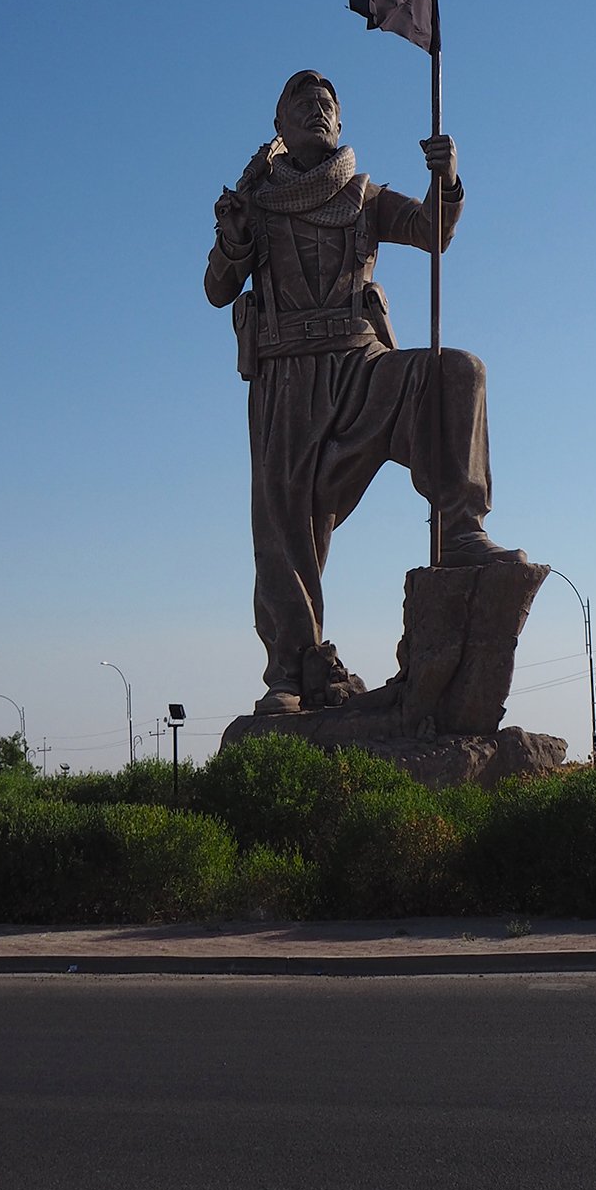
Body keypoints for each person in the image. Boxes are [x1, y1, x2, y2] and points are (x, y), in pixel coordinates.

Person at [206, 69, 525, 715]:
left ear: (341, 124)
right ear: (279, 126)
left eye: (327, 104)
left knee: (455, 371)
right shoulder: (254, 203)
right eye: (302, 104)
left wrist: (448, 180)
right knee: (286, 533)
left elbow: (433, 233)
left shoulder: (362, 194)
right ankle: (292, 673)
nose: (316, 111)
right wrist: (234, 236)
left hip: (361, 368)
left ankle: (460, 526)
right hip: (286, 379)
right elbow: (217, 289)